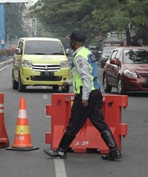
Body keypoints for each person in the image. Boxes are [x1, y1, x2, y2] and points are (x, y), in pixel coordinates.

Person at [44, 30, 122, 161]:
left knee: (74, 123)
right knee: (99, 123)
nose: (70, 43)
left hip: (86, 94)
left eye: (70, 41)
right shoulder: (87, 53)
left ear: (73, 42)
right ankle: (114, 150)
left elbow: (86, 77)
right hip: (95, 92)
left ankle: (61, 150)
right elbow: (84, 74)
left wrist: (85, 97)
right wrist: (69, 83)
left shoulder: (79, 56)